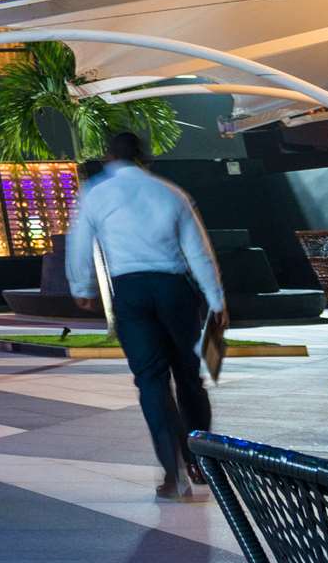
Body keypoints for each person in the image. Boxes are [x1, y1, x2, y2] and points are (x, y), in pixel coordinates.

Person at [66, 131, 226, 501]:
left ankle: (173, 473)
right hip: (175, 289)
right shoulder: (171, 193)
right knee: (189, 378)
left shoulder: (96, 193)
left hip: (131, 291)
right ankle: (200, 461)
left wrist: (81, 287)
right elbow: (199, 251)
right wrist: (216, 300)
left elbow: (80, 243)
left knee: (151, 381)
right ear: (144, 157)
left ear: (109, 157)